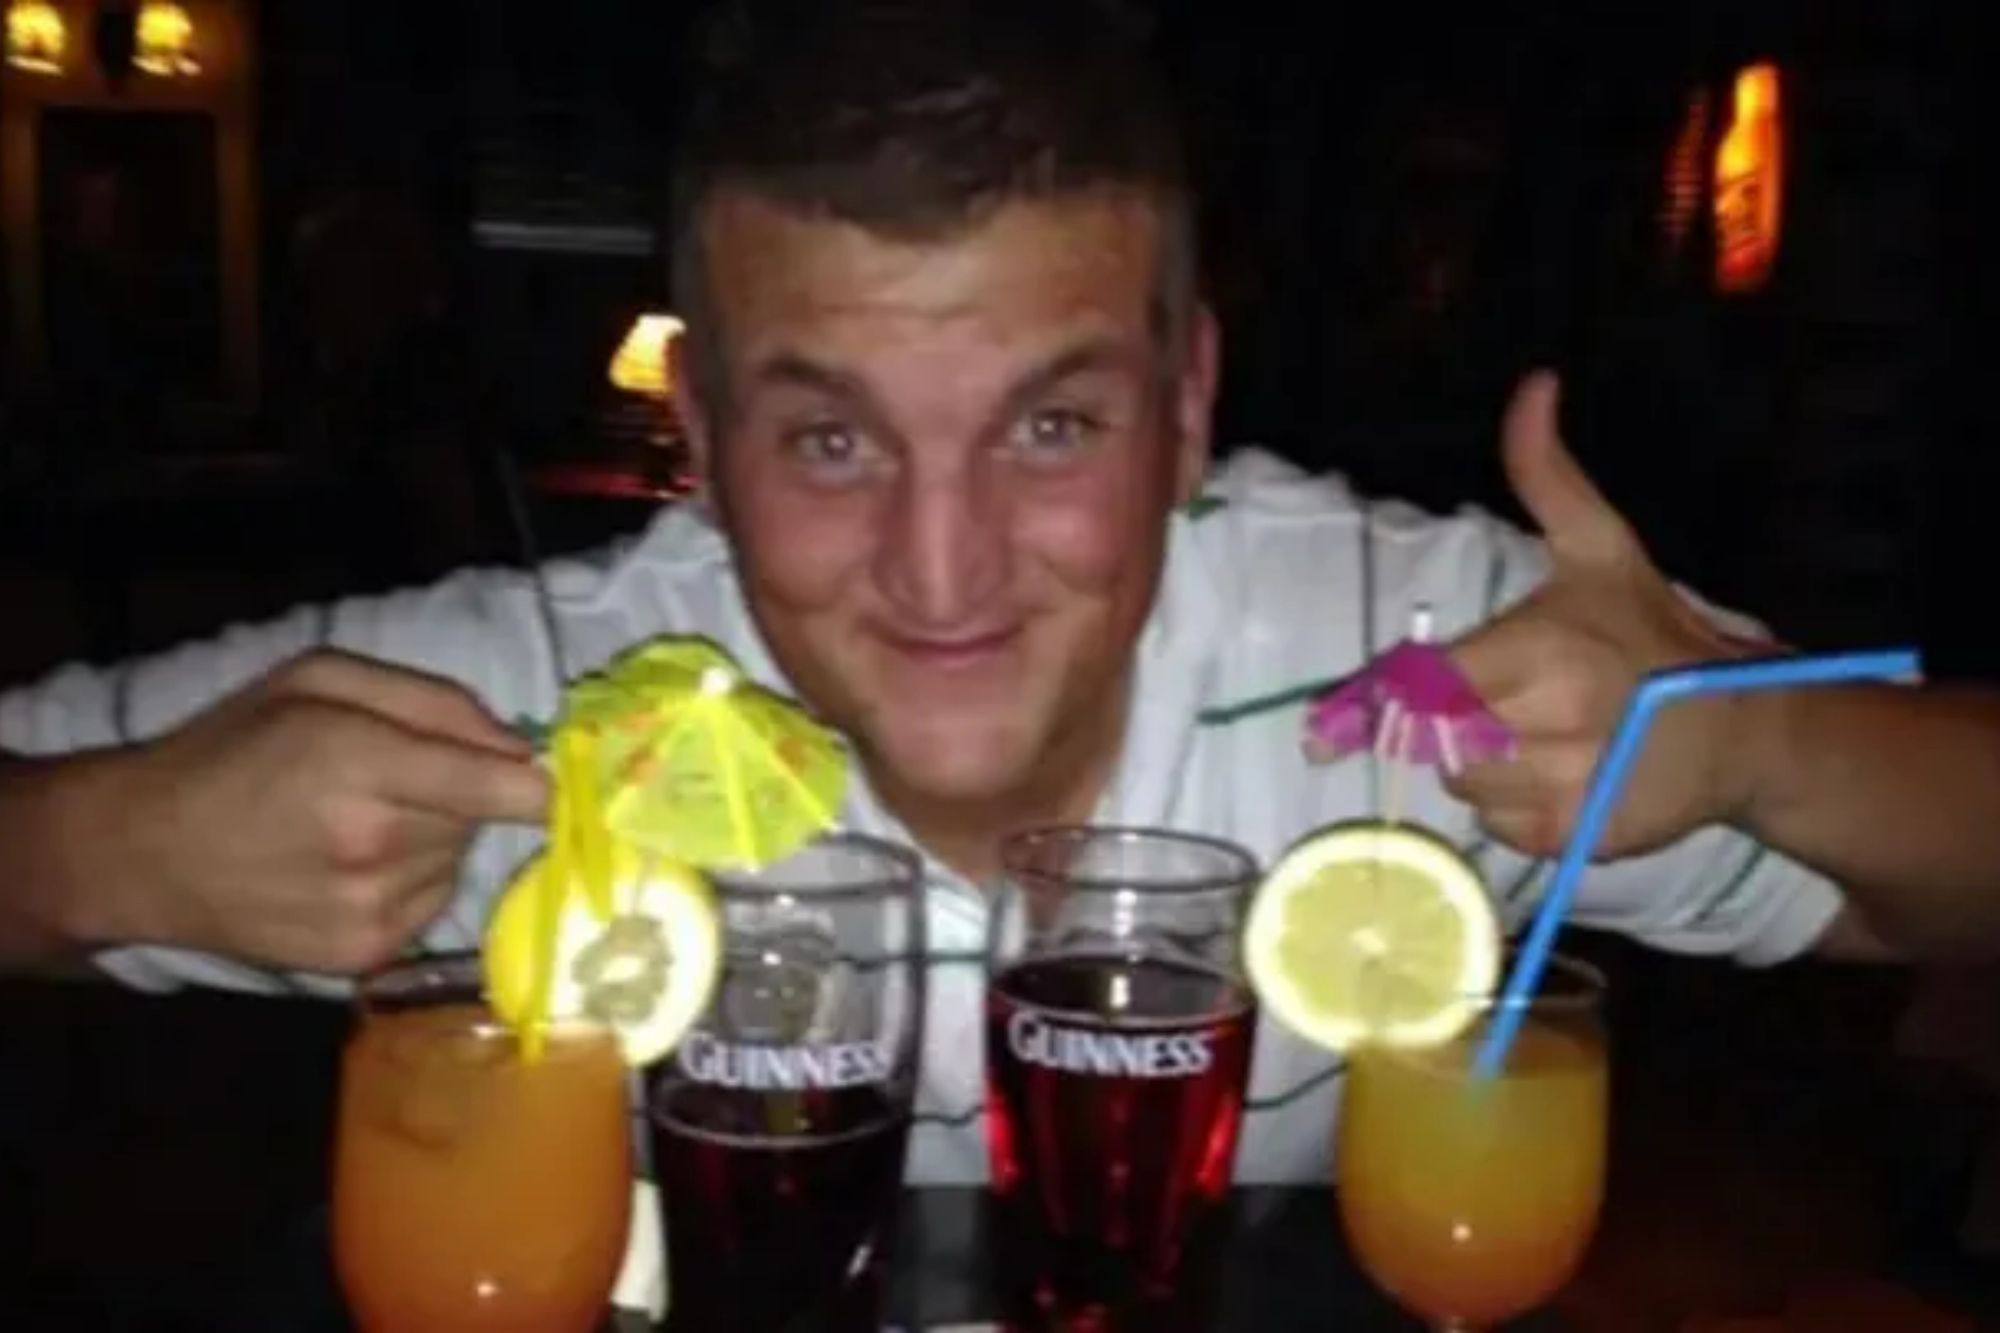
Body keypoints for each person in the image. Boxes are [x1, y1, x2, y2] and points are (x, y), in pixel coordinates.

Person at [2, 0, 1998, 1182]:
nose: (941, 575)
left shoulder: (1443, 650)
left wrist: (1762, 736)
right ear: (696, 420)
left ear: (1189, 393)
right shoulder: (505, 702)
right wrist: (90, 848)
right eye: (833, 439)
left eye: (1050, 428)